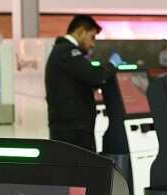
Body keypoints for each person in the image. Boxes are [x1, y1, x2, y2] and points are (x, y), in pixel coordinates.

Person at [45, 15, 116, 151]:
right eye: (92, 37)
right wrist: (112, 65)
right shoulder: (66, 51)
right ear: (81, 31)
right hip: (71, 133)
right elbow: (94, 75)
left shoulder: (64, 52)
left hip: (74, 130)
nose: (93, 44)